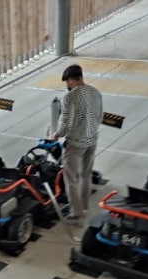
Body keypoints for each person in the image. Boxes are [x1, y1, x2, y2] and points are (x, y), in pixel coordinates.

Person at [52, 64, 103, 227]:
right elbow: (100, 118)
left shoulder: (69, 97)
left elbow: (66, 124)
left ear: (75, 79)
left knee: (71, 179)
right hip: (92, 140)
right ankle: (84, 207)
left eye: (69, 81)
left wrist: (57, 134)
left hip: (76, 143)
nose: (68, 85)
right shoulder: (96, 92)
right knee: (86, 175)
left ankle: (77, 215)